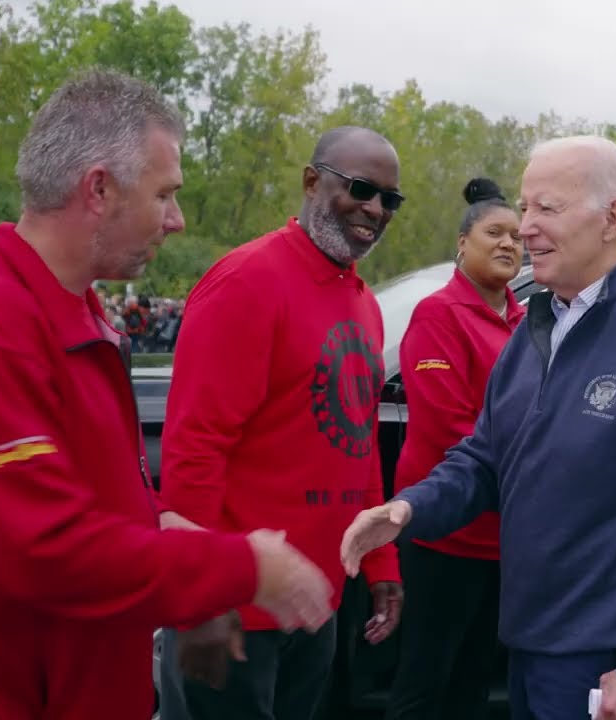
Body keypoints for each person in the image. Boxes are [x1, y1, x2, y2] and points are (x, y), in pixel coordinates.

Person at [0, 69, 334, 720]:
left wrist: (162, 525)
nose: (178, 220)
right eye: (165, 195)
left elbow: (82, 491)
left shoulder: (76, 314)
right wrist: (242, 568)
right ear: (99, 188)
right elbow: (44, 551)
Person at [341, 135, 616, 720]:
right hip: (531, 648)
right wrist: (407, 509)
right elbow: (485, 458)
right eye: (526, 206)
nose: (525, 228)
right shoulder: (538, 328)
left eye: (546, 209)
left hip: (612, 667)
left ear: (611, 218)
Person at [158, 125, 406, 720]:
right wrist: (201, 595)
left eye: (389, 199)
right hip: (237, 610)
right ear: (312, 180)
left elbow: (358, 445)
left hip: (313, 604)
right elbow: (195, 449)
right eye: (361, 188)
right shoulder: (247, 282)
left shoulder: (365, 306)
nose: (374, 208)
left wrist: (379, 564)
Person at [384, 177, 525, 720]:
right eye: (494, 232)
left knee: (472, 685)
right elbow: (449, 429)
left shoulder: (527, 320)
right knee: (424, 684)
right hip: (444, 535)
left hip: (501, 541)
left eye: (517, 235)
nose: (509, 243)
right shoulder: (439, 314)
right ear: (462, 244)